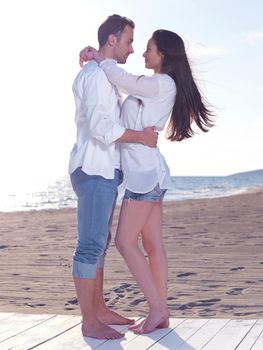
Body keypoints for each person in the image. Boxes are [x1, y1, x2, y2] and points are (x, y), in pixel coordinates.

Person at [79, 29, 213, 335]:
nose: (143, 53)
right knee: (152, 245)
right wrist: (97, 60)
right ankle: (160, 312)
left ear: (163, 54)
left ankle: (158, 309)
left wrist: (98, 58)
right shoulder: (157, 87)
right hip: (151, 174)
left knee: (126, 243)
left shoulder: (160, 84)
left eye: (149, 49)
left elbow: (121, 78)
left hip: (143, 177)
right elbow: (125, 89)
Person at [69, 14, 159, 340]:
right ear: (112, 40)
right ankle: (89, 321)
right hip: (93, 169)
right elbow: (101, 129)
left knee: (99, 245)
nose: (132, 48)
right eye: (128, 41)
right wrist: (141, 137)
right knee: (90, 246)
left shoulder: (102, 74)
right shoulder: (94, 77)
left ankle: (99, 310)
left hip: (104, 171)